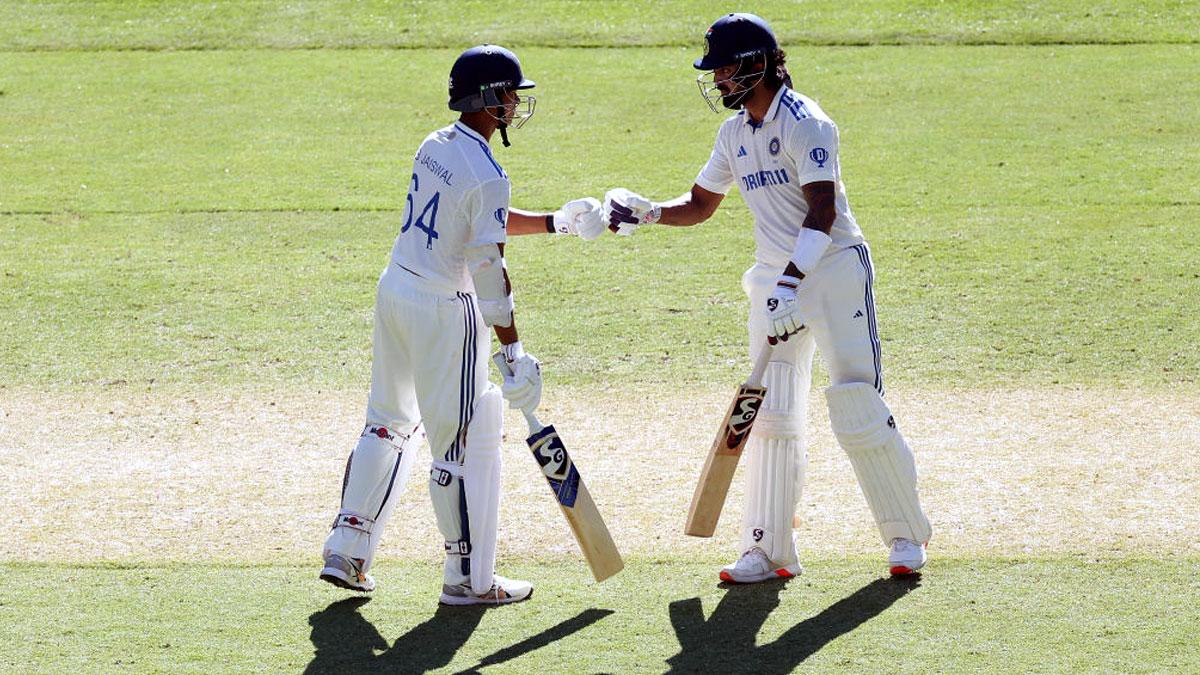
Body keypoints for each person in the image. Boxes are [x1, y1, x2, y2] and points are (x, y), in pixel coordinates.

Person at [602, 13, 931, 583]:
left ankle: (905, 536)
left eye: (726, 68)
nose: (719, 80)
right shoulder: (734, 134)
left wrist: (790, 283)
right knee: (772, 414)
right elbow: (701, 204)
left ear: (757, 64)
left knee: (856, 403)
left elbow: (822, 213)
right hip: (772, 282)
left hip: (830, 272)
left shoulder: (808, 123)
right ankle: (768, 548)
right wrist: (650, 211)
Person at [319, 44, 605, 605]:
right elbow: (489, 270)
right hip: (445, 311)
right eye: (508, 95)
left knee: (386, 422)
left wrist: (556, 224)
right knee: (456, 445)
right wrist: (515, 350)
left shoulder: (436, 145)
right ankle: (467, 579)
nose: (514, 105)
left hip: (396, 288)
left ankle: (347, 548)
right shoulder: (489, 173)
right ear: (488, 98)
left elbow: (475, 220)